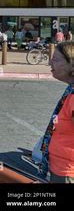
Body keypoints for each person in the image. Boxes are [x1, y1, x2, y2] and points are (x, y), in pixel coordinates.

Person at [40, 42, 74, 183]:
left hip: (67, 172)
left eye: (56, 59)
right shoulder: (71, 90)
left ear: (72, 65)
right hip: (61, 168)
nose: (50, 62)